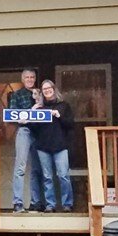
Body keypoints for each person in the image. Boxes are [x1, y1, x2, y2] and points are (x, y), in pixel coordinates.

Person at [32, 80, 75, 212]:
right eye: (44, 89)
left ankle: (67, 204)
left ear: (54, 89)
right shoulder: (39, 108)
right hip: (43, 146)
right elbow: (34, 128)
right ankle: (50, 205)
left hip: (60, 145)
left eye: (49, 88)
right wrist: (32, 112)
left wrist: (59, 116)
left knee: (63, 175)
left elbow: (70, 124)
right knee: (47, 177)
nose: (47, 90)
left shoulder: (63, 105)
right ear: (42, 92)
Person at [6, 68, 46, 212]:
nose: (30, 79)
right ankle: (18, 203)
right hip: (24, 131)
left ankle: (36, 202)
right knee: (20, 167)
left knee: (37, 168)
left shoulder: (40, 94)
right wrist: (28, 113)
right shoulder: (17, 95)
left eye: (32, 77)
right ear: (23, 79)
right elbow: (12, 115)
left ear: (35, 79)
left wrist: (38, 104)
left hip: (39, 132)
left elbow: (46, 112)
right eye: (27, 77)